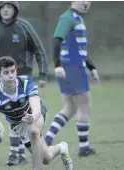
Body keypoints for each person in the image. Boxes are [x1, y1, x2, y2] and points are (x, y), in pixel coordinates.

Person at [0, 1, 48, 166]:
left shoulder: (23, 26)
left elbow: (38, 49)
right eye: (3, 7)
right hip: (2, 76)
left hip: (23, 74)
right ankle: (17, 152)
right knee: (11, 115)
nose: (6, 10)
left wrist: (42, 73)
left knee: (24, 113)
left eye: (10, 7)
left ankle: (18, 152)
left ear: (15, 10)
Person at [0, 56, 73, 170]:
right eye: (6, 72)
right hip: (19, 125)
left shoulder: (27, 84)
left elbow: (35, 104)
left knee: (33, 131)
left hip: (36, 113)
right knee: (46, 158)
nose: (11, 75)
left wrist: (34, 115)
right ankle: (62, 148)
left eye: (13, 71)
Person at [44, 1, 100, 157]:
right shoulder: (67, 18)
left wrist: (92, 67)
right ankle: (84, 148)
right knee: (85, 106)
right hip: (72, 68)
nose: (87, 3)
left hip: (73, 68)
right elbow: (56, 40)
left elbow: (79, 48)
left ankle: (47, 139)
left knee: (70, 108)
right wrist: (57, 64)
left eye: (89, 1)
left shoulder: (77, 19)